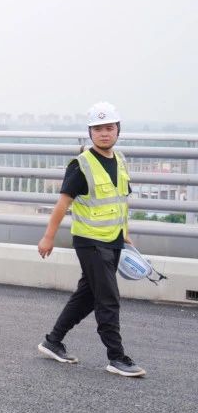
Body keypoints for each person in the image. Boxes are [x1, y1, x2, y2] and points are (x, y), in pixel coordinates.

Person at [37, 102, 146, 377]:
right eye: (97, 129)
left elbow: (120, 200)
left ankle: (53, 341)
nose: (104, 133)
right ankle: (116, 357)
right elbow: (62, 204)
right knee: (108, 298)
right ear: (90, 133)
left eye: (109, 128)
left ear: (118, 130)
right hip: (90, 241)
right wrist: (48, 237)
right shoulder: (81, 165)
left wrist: (125, 234)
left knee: (87, 295)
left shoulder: (119, 160)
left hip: (113, 239)